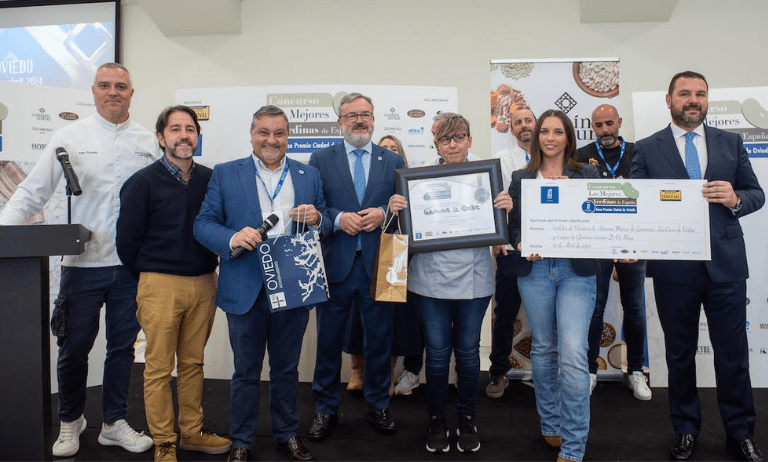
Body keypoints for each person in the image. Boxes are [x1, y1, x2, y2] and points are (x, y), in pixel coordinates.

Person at [0, 62, 157, 457]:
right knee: (73, 347)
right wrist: (3, 232)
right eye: (105, 85)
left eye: (121, 86)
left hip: (130, 267)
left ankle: (114, 423)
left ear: (132, 94)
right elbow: (31, 193)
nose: (113, 92)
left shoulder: (148, 142)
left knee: (122, 349)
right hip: (81, 265)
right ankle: (70, 421)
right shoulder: (68, 136)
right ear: (93, 91)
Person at [631, 71, 765, 462]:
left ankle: (740, 434)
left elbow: (756, 194)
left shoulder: (731, 142)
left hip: (725, 268)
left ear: (707, 100)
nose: (693, 100)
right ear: (668, 99)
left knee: (733, 355)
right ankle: (685, 429)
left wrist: (735, 197)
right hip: (675, 269)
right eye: (685, 93)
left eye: (700, 94)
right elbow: (635, 203)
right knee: (679, 354)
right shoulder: (647, 148)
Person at [194, 105, 330, 462]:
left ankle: (286, 434)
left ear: (288, 137)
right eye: (264, 133)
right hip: (245, 286)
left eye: (279, 133)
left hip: (294, 284)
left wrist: (318, 218)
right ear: (252, 134)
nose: (271, 140)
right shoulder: (225, 174)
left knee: (287, 370)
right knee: (245, 372)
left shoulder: (308, 175)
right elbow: (203, 224)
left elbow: (326, 220)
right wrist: (232, 236)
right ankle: (242, 440)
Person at [389, 113, 513, 454]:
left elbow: (502, 228)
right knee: (439, 353)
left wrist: (506, 207)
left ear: (470, 139)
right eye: (445, 139)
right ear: (436, 144)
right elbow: (405, 232)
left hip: (474, 277)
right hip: (429, 277)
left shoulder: (490, 174)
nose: (453, 144)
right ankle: (437, 419)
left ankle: (468, 418)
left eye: (459, 137)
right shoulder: (418, 177)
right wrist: (397, 208)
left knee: (469, 354)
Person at [116, 106, 231, 461]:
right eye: (176, 129)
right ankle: (164, 442)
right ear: (161, 137)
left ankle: (192, 433)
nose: (184, 135)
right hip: (160, 285)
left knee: (194, 364)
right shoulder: (141, 182)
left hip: (204, 282)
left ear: (198, 136)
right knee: (159, 367)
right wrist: (151, 278)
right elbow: (127, 243)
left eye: (190, 129)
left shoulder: (212, 180)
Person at [308, 93, 404, 439]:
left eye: (365, 114)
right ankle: (325, 409)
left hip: (382, 265)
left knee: (380, 340)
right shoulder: (320, 159)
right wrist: (337, 218)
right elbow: (314, 207)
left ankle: (378, 405)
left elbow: (403, 208)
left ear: (374, 119)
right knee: (329, 342)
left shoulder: (392, 160)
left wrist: (384, 212)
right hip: (336, 264)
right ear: (340, 122)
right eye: (351, 116)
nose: (359, 120)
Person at [509, 109, 600, 462]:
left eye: (557, 132)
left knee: (574, 353)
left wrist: (574, 199)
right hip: (535, 272)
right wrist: (519, 243)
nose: (549, 137)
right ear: (536, 137)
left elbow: (601, 217)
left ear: (568, 137)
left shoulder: (586, 173)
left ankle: (575, 445)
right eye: (544, 131)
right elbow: (514, 225)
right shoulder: (521, 177)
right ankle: (551, 424)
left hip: (576, 271)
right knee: (545, 348)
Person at [576, 104, 651, 401]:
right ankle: (590, 371)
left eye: (610, 123)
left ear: (619, 122)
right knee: (595, 308)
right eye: (599, 125)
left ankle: (635, 371)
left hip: (632, 241)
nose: (605, 130)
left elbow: (647, 193)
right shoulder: (581, 155)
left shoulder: (637, 151)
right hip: (596, 240)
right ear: (592, 126)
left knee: (634, 307)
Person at [343, 134, 424, 397]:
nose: (388, 152)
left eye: (393, 149)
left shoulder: (411, 185)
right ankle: (358, 370)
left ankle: (386, 375)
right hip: (362, 252)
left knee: (393, 318)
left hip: (395, 252)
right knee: (356, 316)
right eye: (384, 148)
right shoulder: (365, 177)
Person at [485, 107, 535, 398]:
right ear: (512, 129)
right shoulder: (502, 161)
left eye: (528, 120)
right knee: (504, 312)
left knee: (549, 315)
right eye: (518, 122)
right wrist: (498, 239)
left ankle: (548, 372)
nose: (523, 125)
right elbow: (495, 201)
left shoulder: (553, 161)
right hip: (512, 249)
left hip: (548, 248)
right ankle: (498, 371)